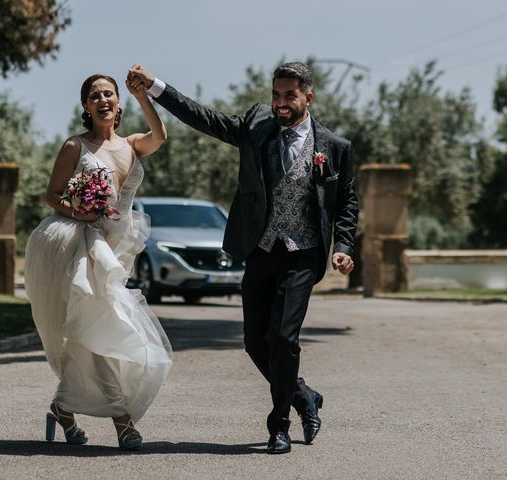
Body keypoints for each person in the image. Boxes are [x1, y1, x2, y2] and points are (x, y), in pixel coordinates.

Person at [128, 62, 359, 454]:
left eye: (289, 95)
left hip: (303, 253)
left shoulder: (335, 147)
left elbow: (347, 202)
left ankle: (280, 425)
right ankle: (304, 396)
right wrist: (155, 88)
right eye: (276, 94)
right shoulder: (257, 125)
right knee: (255, 344)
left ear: (308, 97)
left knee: (284, 338)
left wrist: (343, 248)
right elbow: (203, 117)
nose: (281, 103)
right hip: (261, 248)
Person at [24, 73, 172, 451]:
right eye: (94, 96)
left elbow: (160, 136)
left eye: (109, 94)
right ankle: (123, 422)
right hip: (79, 243)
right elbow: (52, 195)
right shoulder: (76, 146)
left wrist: (144, 97)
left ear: (119, 102)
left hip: (114, 246)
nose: (103, 99)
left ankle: (62, 408)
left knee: (93, 331)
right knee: (103, 325)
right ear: (86, 107)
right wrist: (81, 211)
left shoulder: (132, 145)